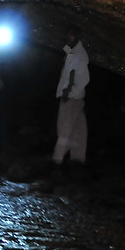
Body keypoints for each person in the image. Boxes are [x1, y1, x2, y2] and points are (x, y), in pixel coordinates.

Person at [53, 25, 90, 167]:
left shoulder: (79, 55)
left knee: (65, 128)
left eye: (71, 36)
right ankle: (78, 160)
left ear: (77, 37)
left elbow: (80, 78)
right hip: (77, 97)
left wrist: (68, 92)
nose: (68, 38)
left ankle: (58, 159)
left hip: (72, 97)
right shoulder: (73, 52)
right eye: (67, 35)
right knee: (79, 129)